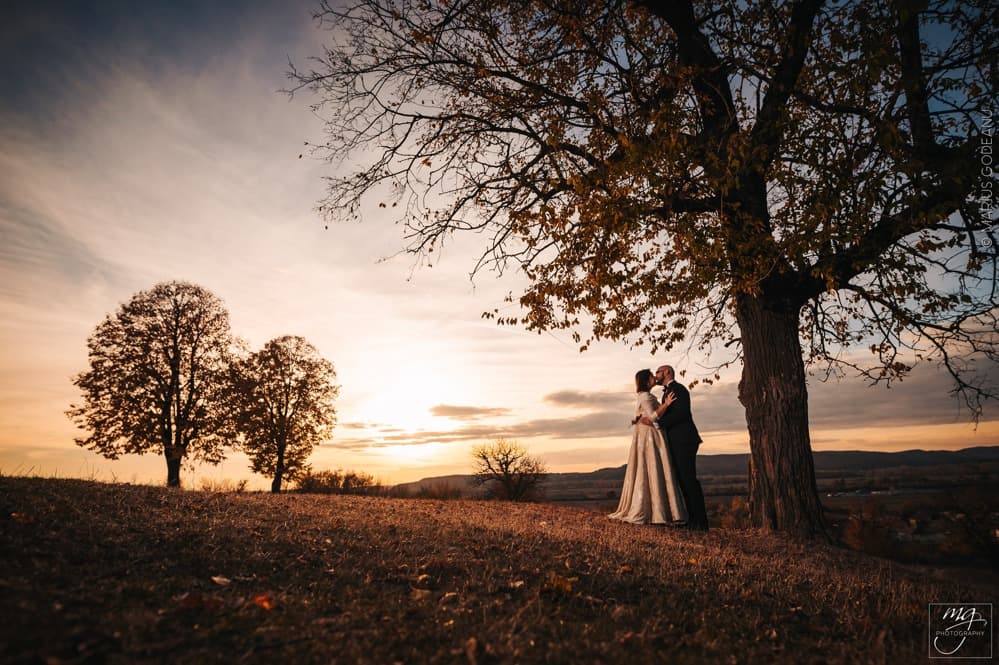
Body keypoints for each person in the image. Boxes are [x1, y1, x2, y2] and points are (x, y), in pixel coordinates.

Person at [608, 369, 688, 525]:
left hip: (651, 435)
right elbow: (652, 416)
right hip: (650, 437)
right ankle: (656, 511)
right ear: (646, 380)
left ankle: (658, 510)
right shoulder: (645, 396)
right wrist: (665, 405)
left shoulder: (645, 397)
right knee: (653, 468)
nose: (654, 377)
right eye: (651, 376)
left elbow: (645, 415)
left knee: (653, 469)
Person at [643, 364, 709, 530]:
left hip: (684, 440)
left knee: (689, 480)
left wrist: (657, 423)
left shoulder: (679, 389)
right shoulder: (667, 392)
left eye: (658, 372)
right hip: (676, 441)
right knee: (682, 480)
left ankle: (700, 522)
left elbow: (681, 413)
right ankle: (692, 520)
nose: (656, 375)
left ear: (666, 372)